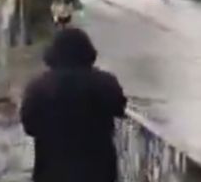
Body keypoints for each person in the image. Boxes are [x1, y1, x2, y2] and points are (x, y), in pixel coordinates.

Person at [20, 27, 126, 182]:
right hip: (98, 171)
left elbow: (29, 126)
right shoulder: (105, 83)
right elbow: (119, 108)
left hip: (51, 170)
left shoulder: (38, 87)